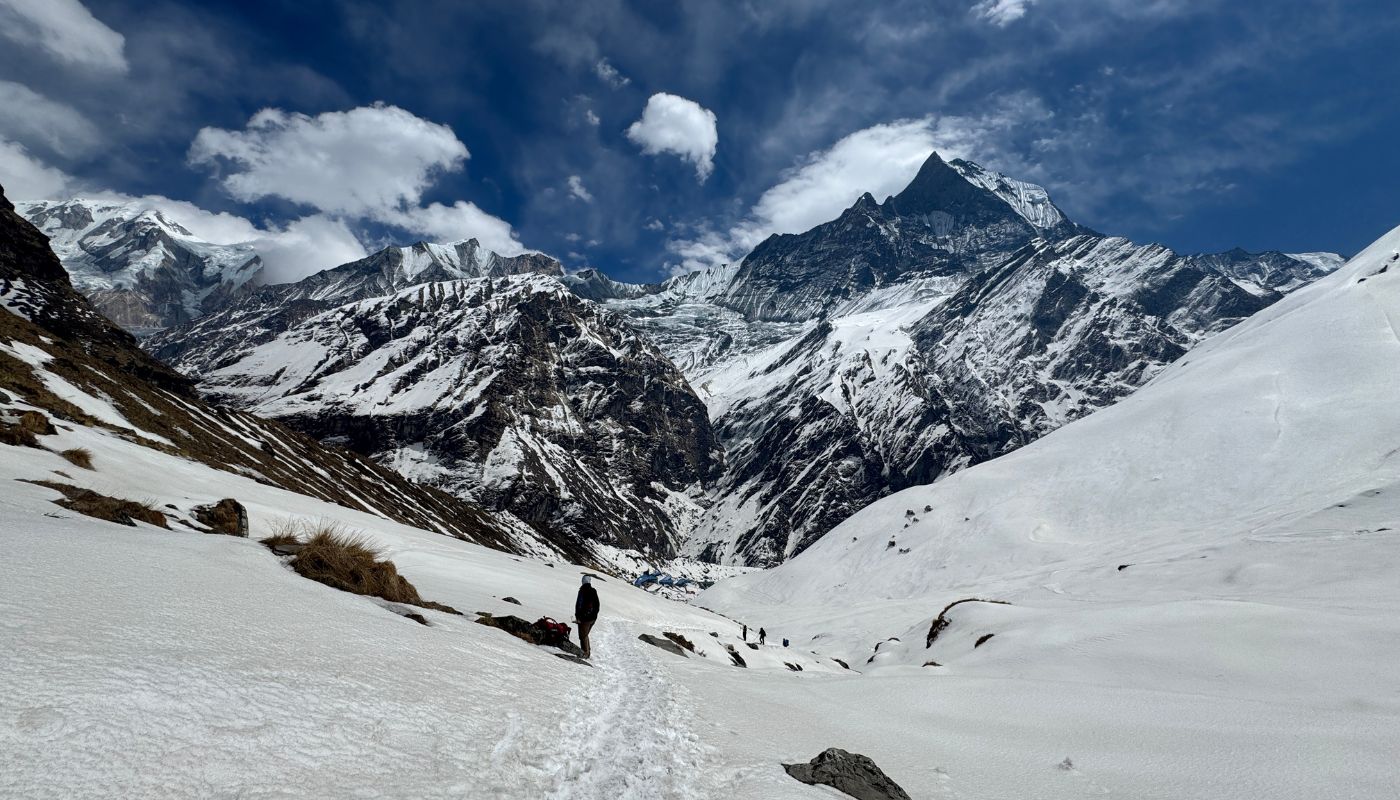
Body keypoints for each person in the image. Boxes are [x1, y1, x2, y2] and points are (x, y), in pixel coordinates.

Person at [575, 575, 600, 659]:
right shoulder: (593, 591)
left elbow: (579, 605)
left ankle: (585, 653)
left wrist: (579, 616)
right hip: (592, 618)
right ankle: (587, 651)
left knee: (582, 636)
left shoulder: (582, 591)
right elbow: (597, 605)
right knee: (585, 635)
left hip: (584, 618)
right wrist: (594, 616)